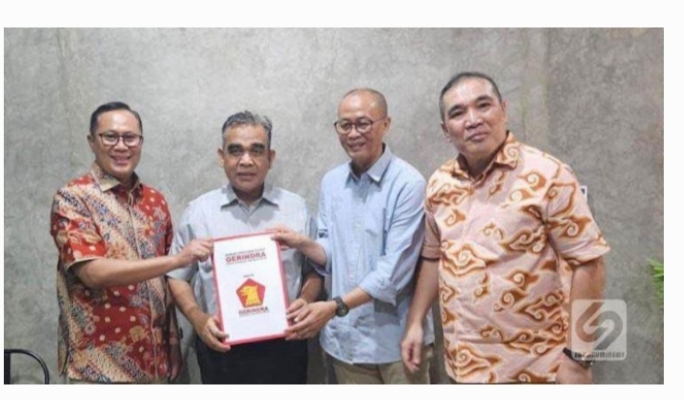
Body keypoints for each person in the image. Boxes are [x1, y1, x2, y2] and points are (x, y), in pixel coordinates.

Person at [401, 72, 610, 384]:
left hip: (536, 369)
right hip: (463, 368)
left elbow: (589, 264)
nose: (473, 120)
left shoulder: (548, 175)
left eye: (483, 105)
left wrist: (579, 358)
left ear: (504, 110)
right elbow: (434, 257)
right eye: (458, 113)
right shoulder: (439, 184)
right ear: (446, 130)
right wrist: (415, 321)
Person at [273, 88, 434, 384]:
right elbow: (330, 252)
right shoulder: (332, 182)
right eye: (344, 125)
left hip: (397, 343)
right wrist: (303, 243)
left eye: (363, 123)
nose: (353, 133)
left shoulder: (408, 184)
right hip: (345, 343)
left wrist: (334, 307)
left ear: (385, 124)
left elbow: (393, 273)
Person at [50, 101, 213, 384]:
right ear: (92, 142)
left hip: (154, 364)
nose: (121, 146)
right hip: (97, 368)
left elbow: (166, 281)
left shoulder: (155, 201)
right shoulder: (73, 198)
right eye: (110, 137)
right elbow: (93, 273)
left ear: (141, 142)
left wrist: (173, 341)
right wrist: (178, 259)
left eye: (130, 137)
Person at [167, 110, 322, 384]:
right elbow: (177, 277)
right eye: (235, 150)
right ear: (222, 156)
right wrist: (198, 319)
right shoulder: (199, 213)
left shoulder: (296, 208)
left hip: (286, 345)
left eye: (257, 150)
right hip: (221, 349)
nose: (246, 161)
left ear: (270, 157)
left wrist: (307, 299)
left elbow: (315, 270)